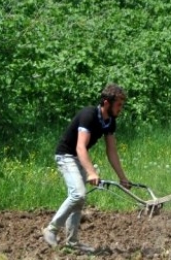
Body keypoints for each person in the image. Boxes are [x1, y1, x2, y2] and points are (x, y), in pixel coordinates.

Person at [43, 83, 131, 252]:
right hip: (66, 156)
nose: (121, 108)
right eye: (119, 104)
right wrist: (91, 172)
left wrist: (122, 177)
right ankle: (51, 230)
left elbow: (111, 151)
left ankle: (72, 243)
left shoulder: (110, 122)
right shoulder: (89, 115)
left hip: (78, 157)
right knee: (78, 194)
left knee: (79, 198)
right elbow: (80, 147)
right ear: (107, 103)